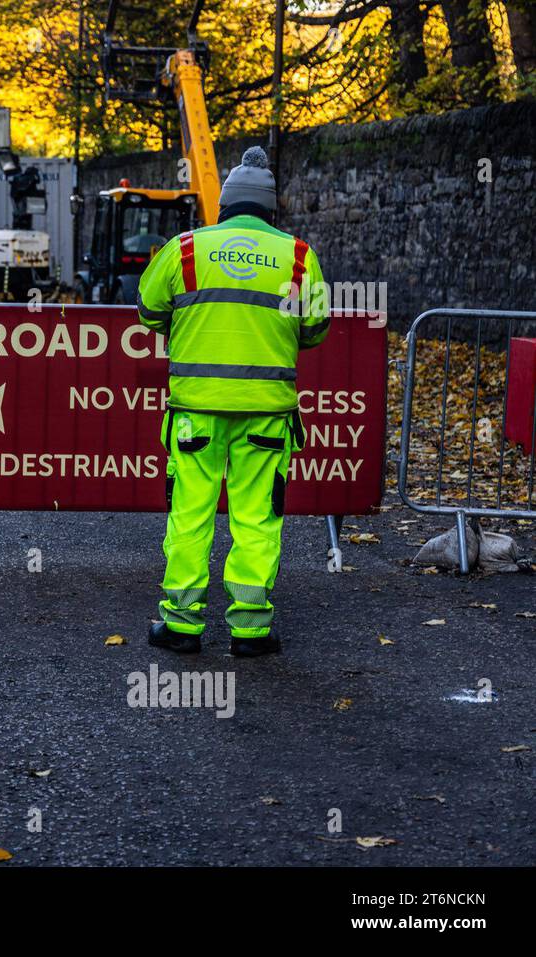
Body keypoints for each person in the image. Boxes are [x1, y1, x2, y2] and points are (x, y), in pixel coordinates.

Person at [136, 146, 330, 657]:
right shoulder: (296, 256)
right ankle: (250, 629)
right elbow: (313, 329)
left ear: (222, 207)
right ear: (270, 208)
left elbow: (149, 310)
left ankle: (180, 624)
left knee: (190, 514)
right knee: (257, 519)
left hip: (195, 413)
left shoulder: (183, 250)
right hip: (266, 415)